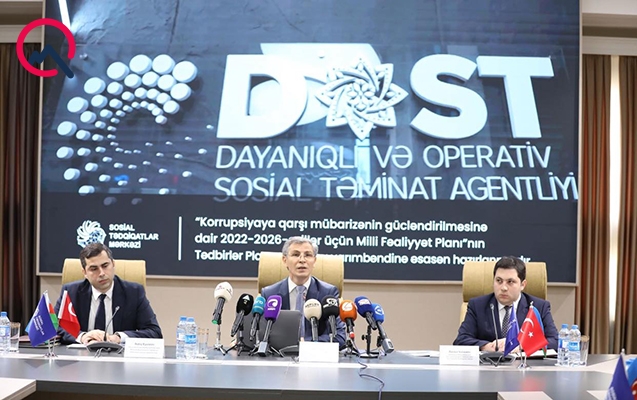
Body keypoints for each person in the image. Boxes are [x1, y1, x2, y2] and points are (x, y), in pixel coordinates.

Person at [54, 242, 162, 344]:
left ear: (113, 264)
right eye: (94, 269)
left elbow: (154, 332)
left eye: (105, 266)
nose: (101, 273)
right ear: (85, 273)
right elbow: (54, 327)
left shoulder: (134, 292)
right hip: (81, 355)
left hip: (119, 355)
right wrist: (82, 336)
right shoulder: (71, 292)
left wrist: (119, 337)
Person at [454, 256, 558, 351]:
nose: (503, 288)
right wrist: (487, 346)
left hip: (524, 365)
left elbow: (555, 342)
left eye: (510, 282)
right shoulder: (477, 306)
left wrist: (521, 345)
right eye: (499, 281)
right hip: (489, 364)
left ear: (522, 284)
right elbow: (461, 340)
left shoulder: (539, 307)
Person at [260, 236, 346, 347]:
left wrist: (306, 344)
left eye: (308, 255)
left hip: (315, 354)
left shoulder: (328, 293)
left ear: (314, 261)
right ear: (285, 260)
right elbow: (261, 335)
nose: (302, 260)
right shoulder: (270, 294)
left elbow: (339, 336)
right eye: (296, 255)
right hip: (279, 353)